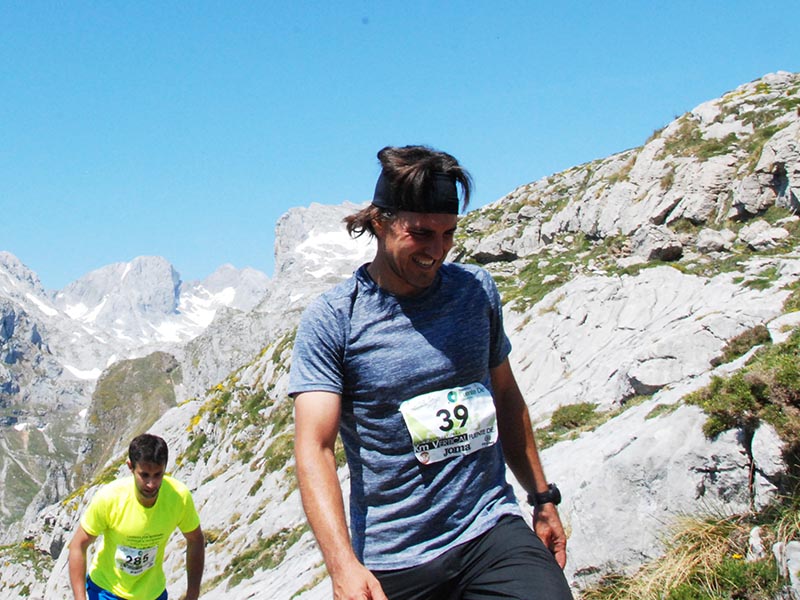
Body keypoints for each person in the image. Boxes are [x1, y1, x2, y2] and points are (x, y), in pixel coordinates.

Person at [289, 145, 572, 600]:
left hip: (490, 529)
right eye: (421, 234)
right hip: (395, 555)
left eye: (448, 234)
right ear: (379, 221)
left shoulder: (475, 291)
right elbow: (315, 447)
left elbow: (505, 396)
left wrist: (542, 498)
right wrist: (342, 567)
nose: (437, 251)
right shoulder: (334, 319)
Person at [68, 433, 205, 600]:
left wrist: (192, 595)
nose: (151, 484)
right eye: (144, 475)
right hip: (107, 591)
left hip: (152, 594)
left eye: (158, 475)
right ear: (130, 467)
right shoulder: (109, 498)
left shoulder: (179, 498)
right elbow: (78, 545)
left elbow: (196, 540)